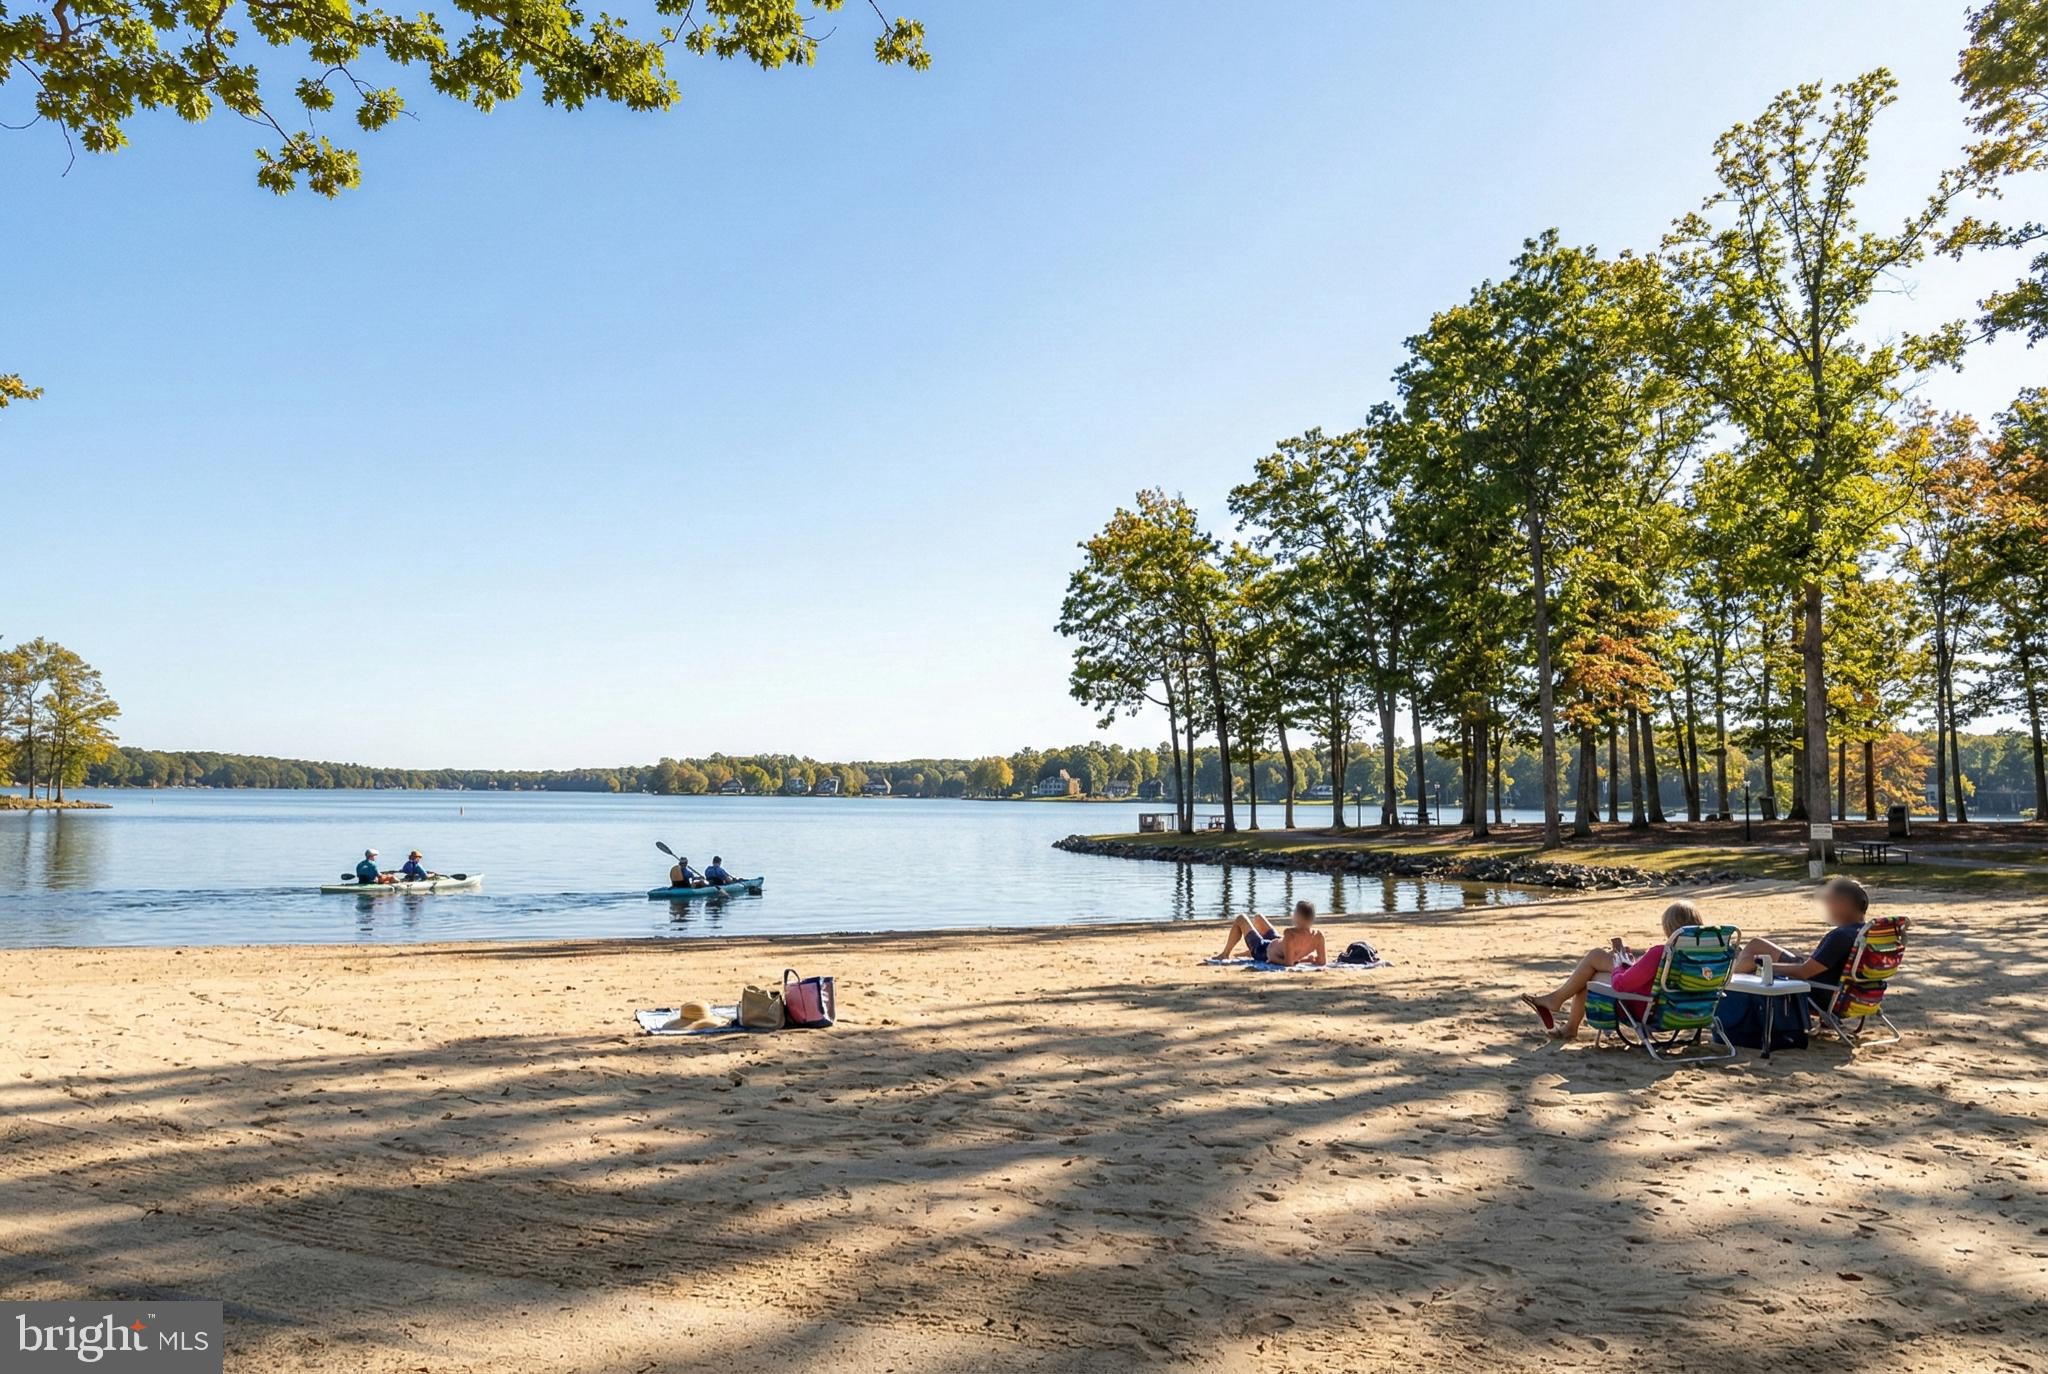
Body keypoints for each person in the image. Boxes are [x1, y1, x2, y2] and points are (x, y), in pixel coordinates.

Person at [1520, 899, 1702, 1040]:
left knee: (1593, 966)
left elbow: (1621, 984)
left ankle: (1561, 1011)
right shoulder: (1706, 955)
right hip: (1688, 1010)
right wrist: (1634, 964)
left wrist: (1619, 965)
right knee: (1596, 965)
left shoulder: (1661, 953)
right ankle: (1564, 1016)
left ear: (1669, 928)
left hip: (1645, 1008)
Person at [1732, 875, 1869, 1018]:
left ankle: (1726, 995)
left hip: (1820, 991)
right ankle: (1730, 984)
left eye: (1830, 903)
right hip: (1851, 991)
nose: (1828, 908)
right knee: (1757, 945)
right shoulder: (1867, 932)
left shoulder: (1841, 936)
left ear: (1842, 904)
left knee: (1751, 960)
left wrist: (1761, 966)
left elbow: (1804, 972)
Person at [1216, 900, 1327, 966]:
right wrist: (1306, 959)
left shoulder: (1290, 933)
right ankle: (1248, 951)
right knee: (1258, 917)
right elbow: (1322, 961)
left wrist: (1273, 958)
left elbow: (1288, 963)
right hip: (1278, 943)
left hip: (1263, 950)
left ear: (1297, 917)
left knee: (1241, 918)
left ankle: (1225, 954)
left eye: (1294, 913)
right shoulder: (1319, 935)